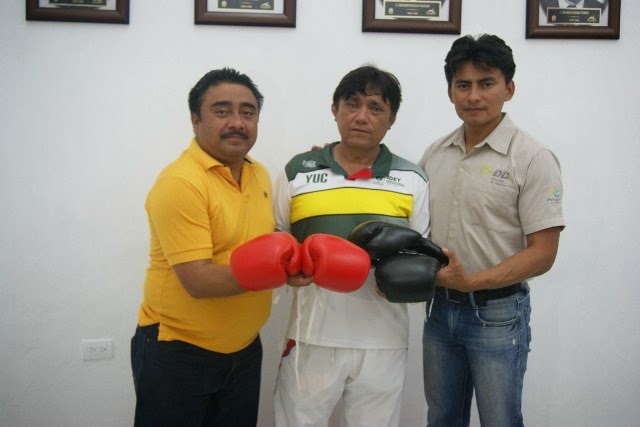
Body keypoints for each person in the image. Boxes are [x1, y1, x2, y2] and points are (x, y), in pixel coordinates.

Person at [130, 67, 311, 427]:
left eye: (248, 112)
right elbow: (198, 281)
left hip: (244, 349)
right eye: (222, 111)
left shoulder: (258, 173)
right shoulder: (181, 183)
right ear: (195, 119)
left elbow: (261, 242)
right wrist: (279, 272)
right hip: (178, 352)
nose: (237, 123)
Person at [419, 34, 565, 427]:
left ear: (509, 89)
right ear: (450, 91)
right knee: (442, 418)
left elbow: (543, 253)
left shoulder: (532, 158)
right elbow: (408, 218)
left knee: (500, 420)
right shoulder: (434, 153)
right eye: (463, 84)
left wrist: (473, 282)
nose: (473, 96)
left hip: (498, 315)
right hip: (439, 310)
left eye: (486, 83)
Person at [272, 65, 431, 427]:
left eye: (376, 108)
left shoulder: (412, 179)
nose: (362, 116)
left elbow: (419, 254)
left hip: (383, 341)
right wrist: (287, 269)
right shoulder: (298, 172)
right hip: (310, 337)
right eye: (352, 104)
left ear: (391, 119)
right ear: (335, 109)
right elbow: (277, 239)